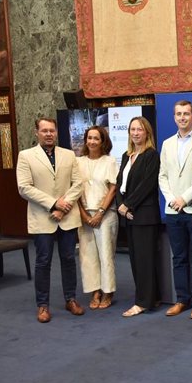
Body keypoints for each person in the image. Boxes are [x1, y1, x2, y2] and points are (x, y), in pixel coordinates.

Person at [16, 117, 84, 323]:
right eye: (44, 131)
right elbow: (24, 188)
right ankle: (42, 305)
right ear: (36, 132)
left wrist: (63, 208)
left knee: (69, 259)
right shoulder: (26, 156)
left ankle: (70, 299)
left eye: (52, 131)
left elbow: (78, 183)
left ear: (56, 132)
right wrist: (54, 204)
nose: (49, 134)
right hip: (42, 216)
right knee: (43, 262)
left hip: (68, 216)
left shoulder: (69, 154)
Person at [158, 100, 192, 318]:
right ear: (174, 117)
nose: (182, 118)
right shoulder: (167, 144)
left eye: (186, 114)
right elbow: (163, 176)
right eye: (178, 114)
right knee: (178, 258)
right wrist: (172, 199)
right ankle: (182, 299)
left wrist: (184, 198)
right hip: (173, 212)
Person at [116, 116, 161, 317]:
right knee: (135, 260)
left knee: (144, 260)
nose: (135, 133)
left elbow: (147, 186)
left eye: (139, 129)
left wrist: (127, 205)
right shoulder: (127, 156)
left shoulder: (151, 155)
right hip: (129, 215)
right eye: (132, 129)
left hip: (144, 215)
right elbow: (119, 184)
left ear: (147, 133)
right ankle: (152, 296)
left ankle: (143, 302)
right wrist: (120, 205)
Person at [76, 126, 118, 310]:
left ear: (103, 141)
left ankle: (108, 292)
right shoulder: (77, 162)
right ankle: (95, 291)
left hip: (106, 214)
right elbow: (74, 190)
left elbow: (113, 189)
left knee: (106, 254)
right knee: (87, 255)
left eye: (96, 138)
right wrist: (84, 214)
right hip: (83, 215)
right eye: (89, 138)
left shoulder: (110, 161)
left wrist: (100, 212)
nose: (92, 141)